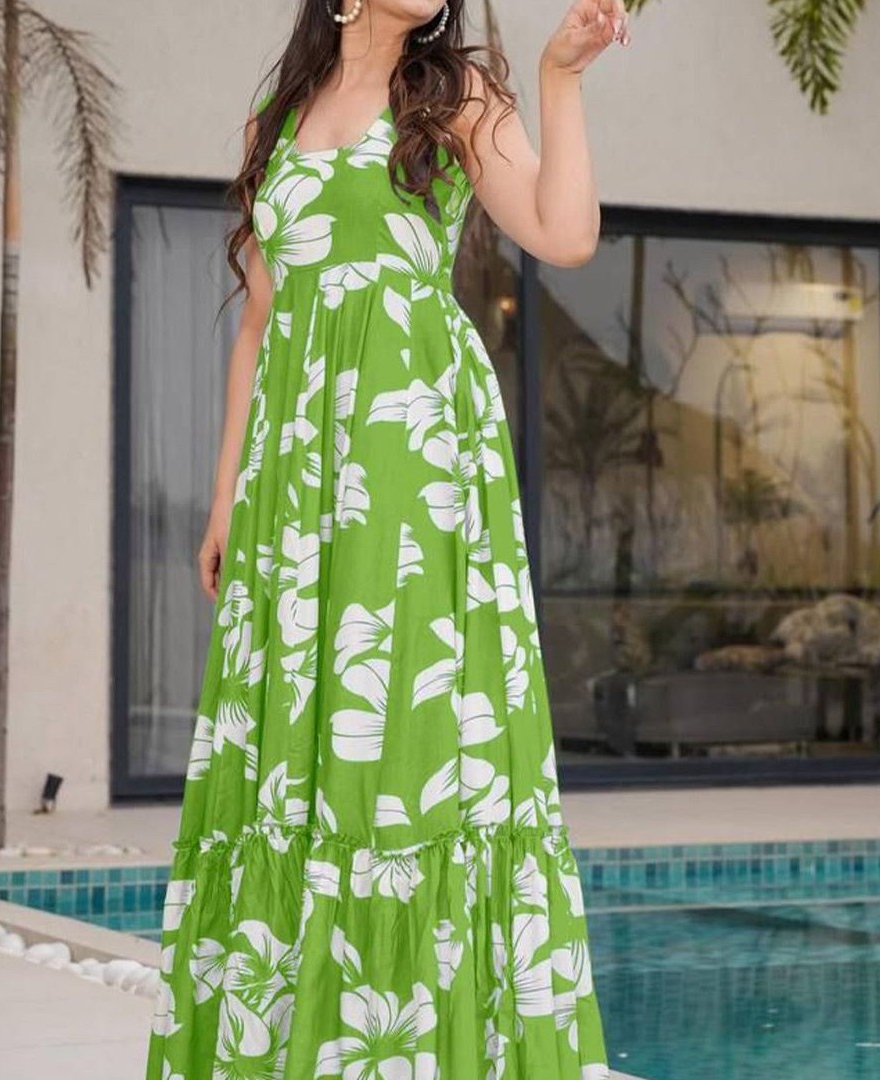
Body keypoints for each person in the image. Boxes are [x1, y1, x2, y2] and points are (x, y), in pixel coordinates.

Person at [146, 2, 629, 1077]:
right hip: (296, 471)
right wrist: (226, 497)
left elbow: (564, 234)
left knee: (402, 729)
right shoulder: (276, 122)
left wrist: (561, 78)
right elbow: (260, 322)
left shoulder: (450, 95)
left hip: (413, 453)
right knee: (298, 735)